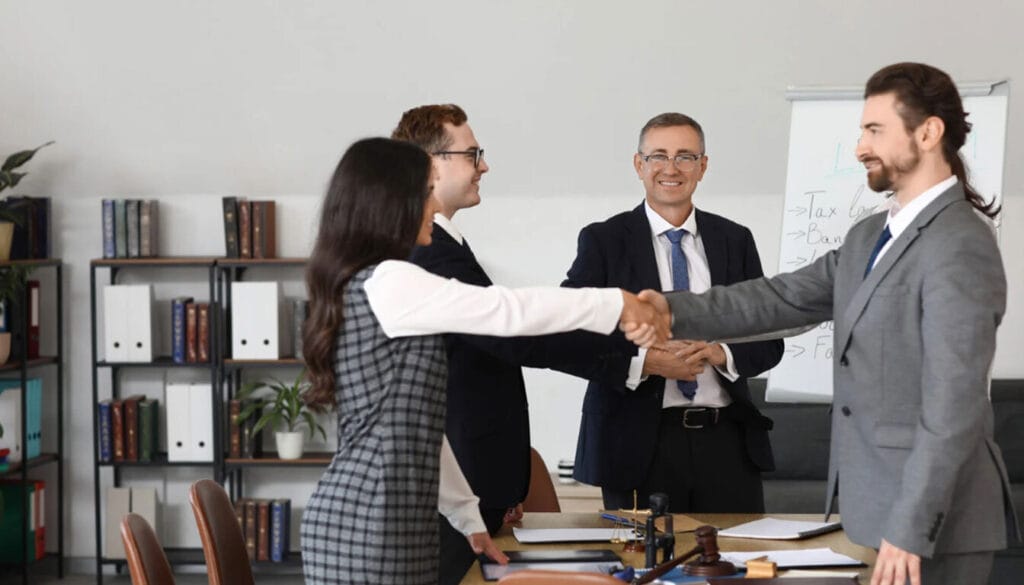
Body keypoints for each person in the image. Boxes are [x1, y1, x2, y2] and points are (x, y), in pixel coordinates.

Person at [628, 63, 1020, 585]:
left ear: (928, 132)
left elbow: (955, 407)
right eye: (862, 131)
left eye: (874, 130)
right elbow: (780, 298)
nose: (860, 147)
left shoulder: (960, 244)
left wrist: (908, 526)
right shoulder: (870, 236)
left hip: (933, 523)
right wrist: (669, 309)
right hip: (878, 509)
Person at [299, 137, 668, 585]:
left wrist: (466, 516)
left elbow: (419, 428)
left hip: (393, 518)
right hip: (368, 521)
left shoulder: (376, 283)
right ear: (391, 202)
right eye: (423, 191)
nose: (430, 204)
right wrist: (617, 303)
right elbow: (505, 312)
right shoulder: (391, 282)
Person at [393, 104, 638, 585]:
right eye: (472, 153)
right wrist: (631, 339)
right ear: (430, 164)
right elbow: (512, 333)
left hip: (470, 479)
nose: (484, 165)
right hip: (455, 480)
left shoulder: (447, 243)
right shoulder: (428, 249)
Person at [564, 112, 784, 514]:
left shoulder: (735, 239)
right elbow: (572, 333)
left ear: (703, 166)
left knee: (735, 568)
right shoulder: (604, 240)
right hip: (636, 446)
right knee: (640, 571)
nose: (671, 168)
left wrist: (721, 354)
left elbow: (769, 339)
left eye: (685, 156)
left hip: (728, 444)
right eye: (658, 156)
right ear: (639, 165)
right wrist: (648, 362)